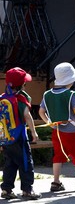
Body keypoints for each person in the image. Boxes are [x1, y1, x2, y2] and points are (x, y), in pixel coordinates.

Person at [38, 62, 75, 192]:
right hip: (73, 130)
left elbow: (41, 111)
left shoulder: (47, 94)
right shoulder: (72, 94)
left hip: (56, 131)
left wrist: (49, 122)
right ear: (70, 80)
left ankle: (56, 181)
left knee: (58, 155)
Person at [1, 67, 41, 200]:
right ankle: (27, 190)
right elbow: (27, 116)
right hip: (19, 137)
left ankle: (6, 189)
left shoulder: (3, 98)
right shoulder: (20, 99)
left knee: (10, 163)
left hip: (6, 138)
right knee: (25, 163)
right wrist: (34, 133)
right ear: (22, 85)